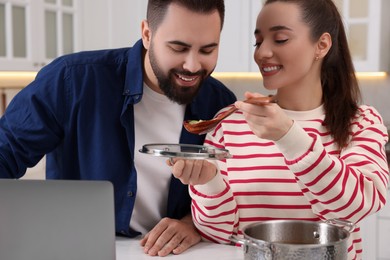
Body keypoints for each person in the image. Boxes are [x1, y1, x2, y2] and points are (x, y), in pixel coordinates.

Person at [0, 0, 236, 257]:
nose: (192, 66)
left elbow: (240, 192)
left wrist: (193, 224)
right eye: (179, 48)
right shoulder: (72, 80)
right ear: (147, 34)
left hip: (179, 255)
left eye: (207, 50)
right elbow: (5, 152)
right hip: (81, 251)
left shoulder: (221, 104)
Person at [169, 0, 389, 259]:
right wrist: (208, 182)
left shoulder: (360, 122)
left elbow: (356, 206)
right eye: (258, 42)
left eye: (280, 39)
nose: (262, 53)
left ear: (322, 45)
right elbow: (219, 233)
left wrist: (289, 137)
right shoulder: (230, 124)